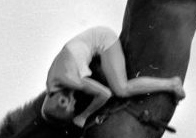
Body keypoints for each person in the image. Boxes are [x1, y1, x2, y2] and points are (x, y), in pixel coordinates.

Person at [41, 25, 185, 128]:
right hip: (87, 42)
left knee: (121, 89)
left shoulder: (71, 81)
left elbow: (105, 94)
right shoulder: (52, 85)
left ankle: (172, 84)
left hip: (104, 39)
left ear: (62, 101)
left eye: (71, 105)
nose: (74, 103)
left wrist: (83, 116)